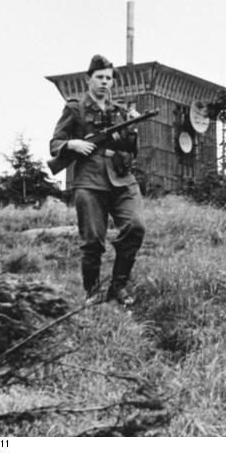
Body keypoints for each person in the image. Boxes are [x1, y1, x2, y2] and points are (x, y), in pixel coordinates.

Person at [50, 54, 145, 305]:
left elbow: (132, 149)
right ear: (88, 79)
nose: (104, 82)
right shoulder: (75, 109)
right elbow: (55, 143)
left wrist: (132, 129)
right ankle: (92, 292)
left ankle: (118, 287)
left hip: (122, 178)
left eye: (108, 78)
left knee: (135, 227)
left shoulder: (120, 111)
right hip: (90, 181)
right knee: (92, 240)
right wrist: (73, 144)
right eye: (99, 77)